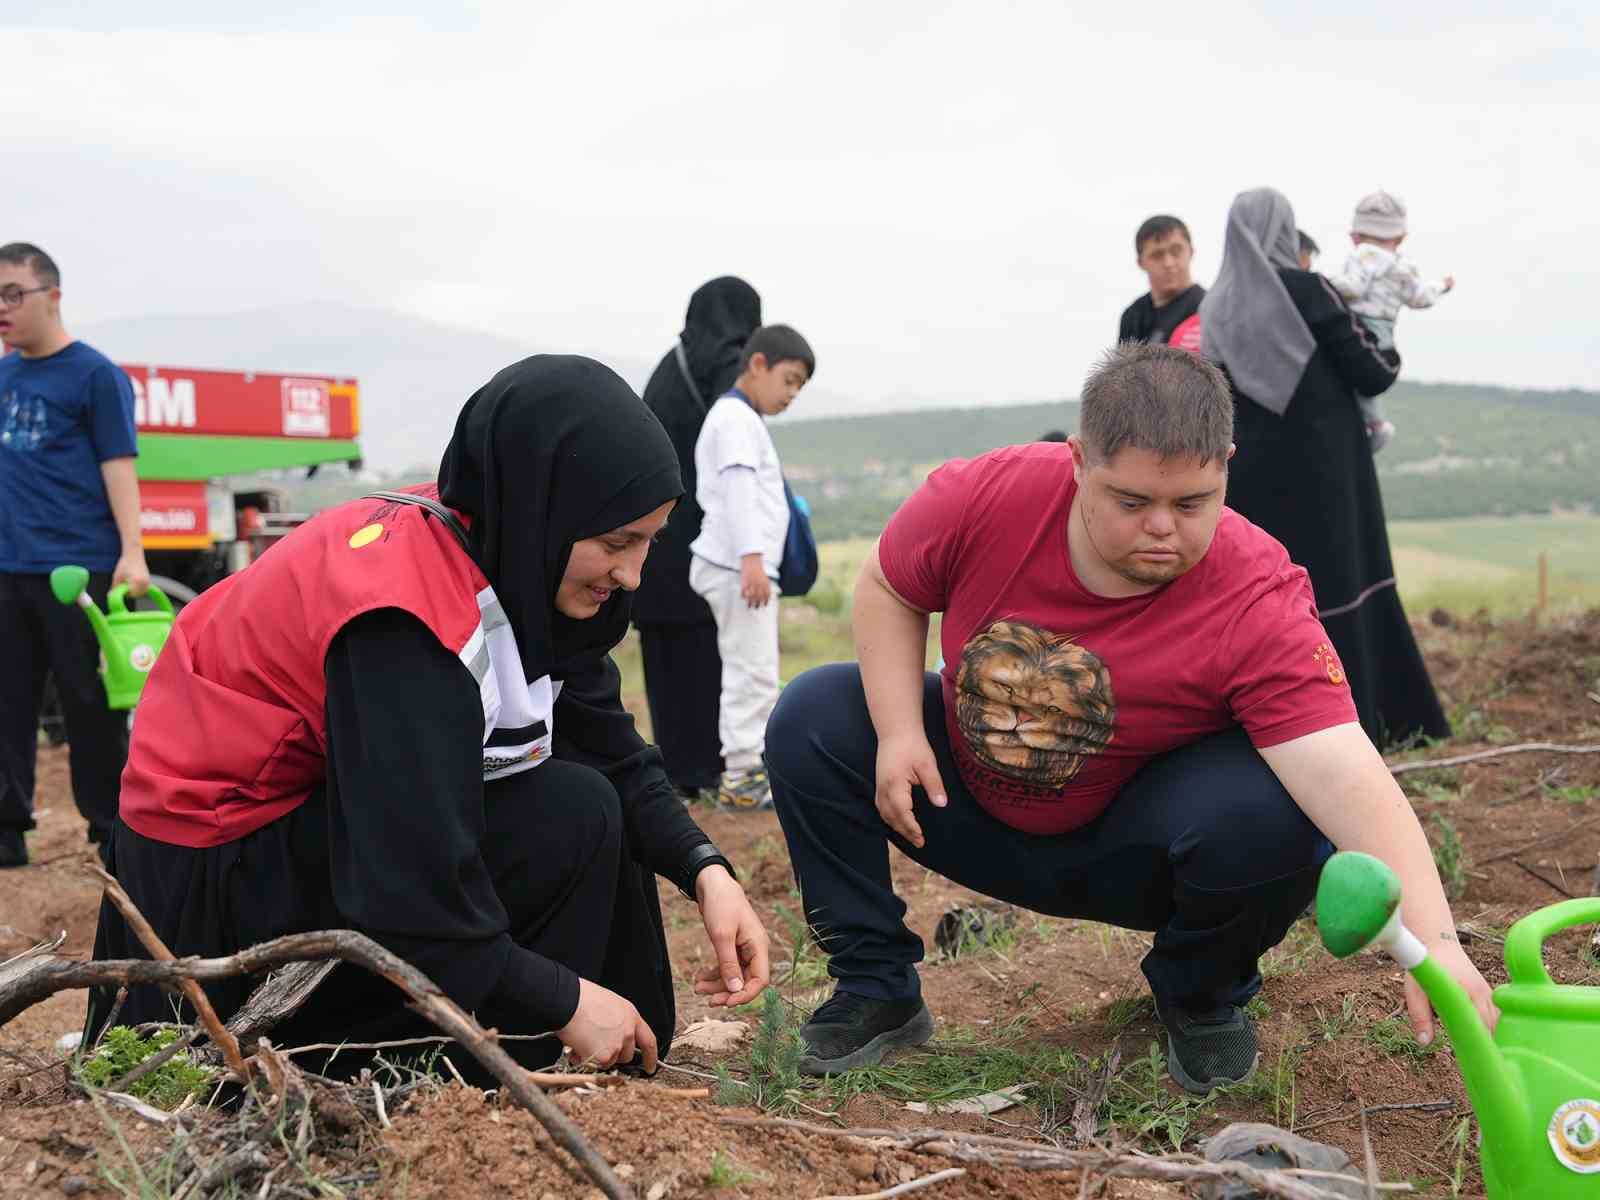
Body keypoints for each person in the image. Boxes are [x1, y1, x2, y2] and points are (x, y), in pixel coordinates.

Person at [765, 343, 1493, 1096]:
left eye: (1190, 504)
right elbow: (888, 583)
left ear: (1226, 468)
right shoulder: (988, 496)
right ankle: (875, 988)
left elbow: (1345, 771)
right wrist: (898, 731)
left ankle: (1200, 995)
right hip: (960, 806)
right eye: (1132, 500)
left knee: (1277, 811)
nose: (1162, 529)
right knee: (813, 715)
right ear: (1078, 460)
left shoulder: (1255, 592)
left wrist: (1435, 942)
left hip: (1131, 846)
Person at [87, 356, 771, 1076]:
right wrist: (562, 999)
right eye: (615, 543)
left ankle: (584, 1045)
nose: (632, 574)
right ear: (547, 508)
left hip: (302, 836)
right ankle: (408, 1069)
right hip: (210, 890)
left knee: (585, 801)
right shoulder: (403, 626)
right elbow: (405, 893)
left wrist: (706, 871)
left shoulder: (518, 556)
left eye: (648, 541)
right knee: (563, 813)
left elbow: (614, 751)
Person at [1200, 187, 1450, 747]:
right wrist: (1390, 344)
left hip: (1253, 477)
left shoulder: (1215, 306)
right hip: (1329, 470)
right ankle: (1374, 724)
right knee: (1345, 584)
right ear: (1285, 231)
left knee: (1271, 595)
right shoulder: (1309, 291)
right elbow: (1373, 373)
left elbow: (1211, 395)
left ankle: (1275, 728)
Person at [0, 243, 148, 868]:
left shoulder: (94, 375)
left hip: (77, 569)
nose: (2, 308)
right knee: (8, 701)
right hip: (9, 567)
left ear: (52, 296)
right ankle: (8, 832)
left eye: (13, 293)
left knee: (88, 704)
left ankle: (110, 831)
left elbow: (119, 469)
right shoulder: (4, 374)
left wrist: (133, 552)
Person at [635, 278, 763, 803]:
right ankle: (714, 771)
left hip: (653, 544)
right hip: (702, 547)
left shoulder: (673, 364)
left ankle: (683, 771)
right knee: (713, 660)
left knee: (669, 665)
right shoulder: (724, 368)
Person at [688, 325, 814, 811]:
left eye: (800, 386)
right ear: (757, 364)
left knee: (751, 668)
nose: (792, 393)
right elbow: (740, 491)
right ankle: (744, 778)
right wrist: (752, 560)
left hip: (738, 564)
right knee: (752, 671)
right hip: (739, 566)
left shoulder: (737, 418)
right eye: (789, 379)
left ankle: (749, 770)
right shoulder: (736, 419)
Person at [1328, 191, 1455, 452]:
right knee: (1363, 383)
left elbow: (1353, 288)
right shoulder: (1403, 265)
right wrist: (1441, 285)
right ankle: (1374, 423)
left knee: (1345, 372)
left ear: (1356, 234)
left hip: (1361, 325)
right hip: (1385, 333)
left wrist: (1322, 282)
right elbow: (1420, 298)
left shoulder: (1363, 254)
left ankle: (1374, 426)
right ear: (1400, 237)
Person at [1117, 215, 1204, 352]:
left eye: (1176, 251)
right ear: (1141, 263)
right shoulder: (1132, 316)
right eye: (1157, 255)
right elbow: (1120, 371)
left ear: (1191, 252)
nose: (1168, 263)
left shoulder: (1209, 310)